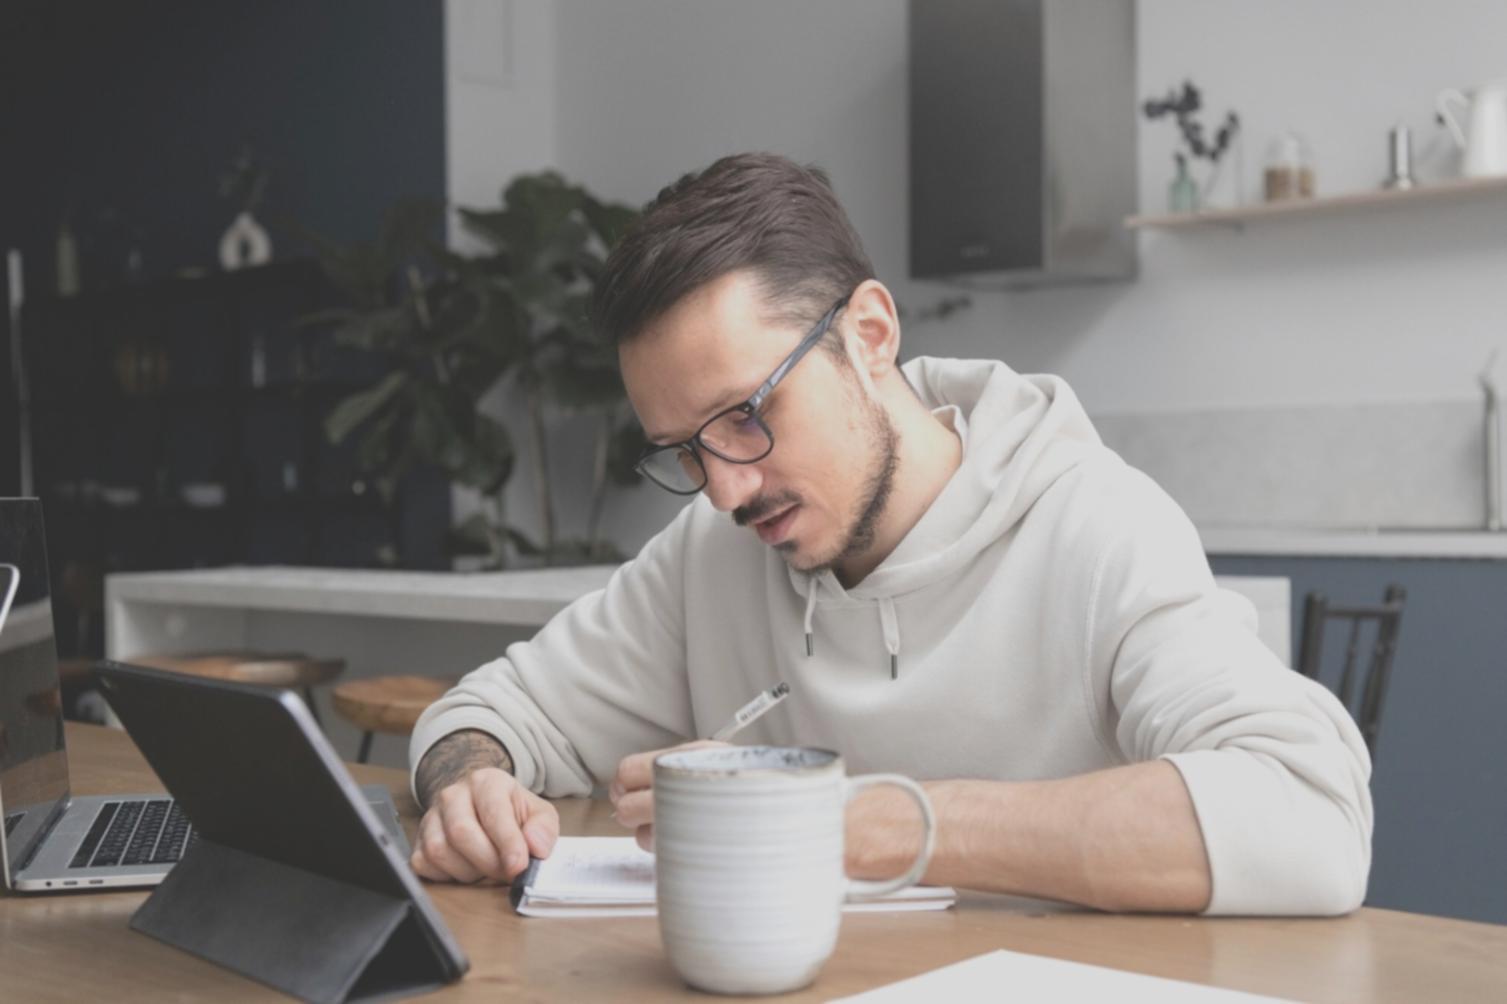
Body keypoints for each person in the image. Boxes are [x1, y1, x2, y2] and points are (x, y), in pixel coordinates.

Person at [407, 153, 1371, 915]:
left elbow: (1308, 817)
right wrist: (471, 787)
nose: (726, 490)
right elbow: (484, 712)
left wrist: (852, 822)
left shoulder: (1094, 525)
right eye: (686, 450)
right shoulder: (712, 553)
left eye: (745, 413)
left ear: (868, 335)